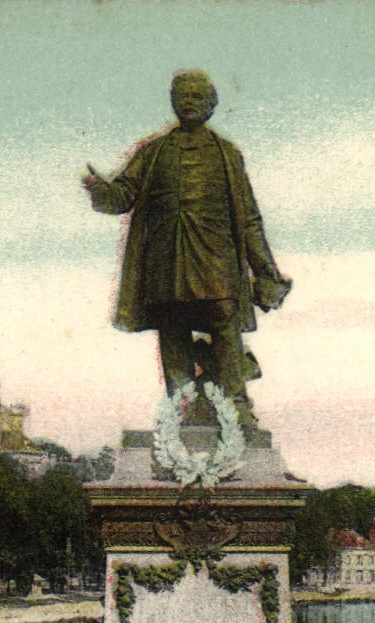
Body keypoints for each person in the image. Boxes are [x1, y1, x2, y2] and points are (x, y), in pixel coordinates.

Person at [83, 69, 291, 430]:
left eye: (198, 96)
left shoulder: (227, 154)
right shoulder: (153, 152)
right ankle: (181, 408)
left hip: (217, 260)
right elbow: (123, 195)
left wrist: (266, 272)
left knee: (225, 327)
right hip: (166, 261)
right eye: (183, 96)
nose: (189, 102)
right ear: (173, 103)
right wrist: (101, 191)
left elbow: (249, 219)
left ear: (211, 105)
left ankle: (237, 410)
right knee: (173, 328)